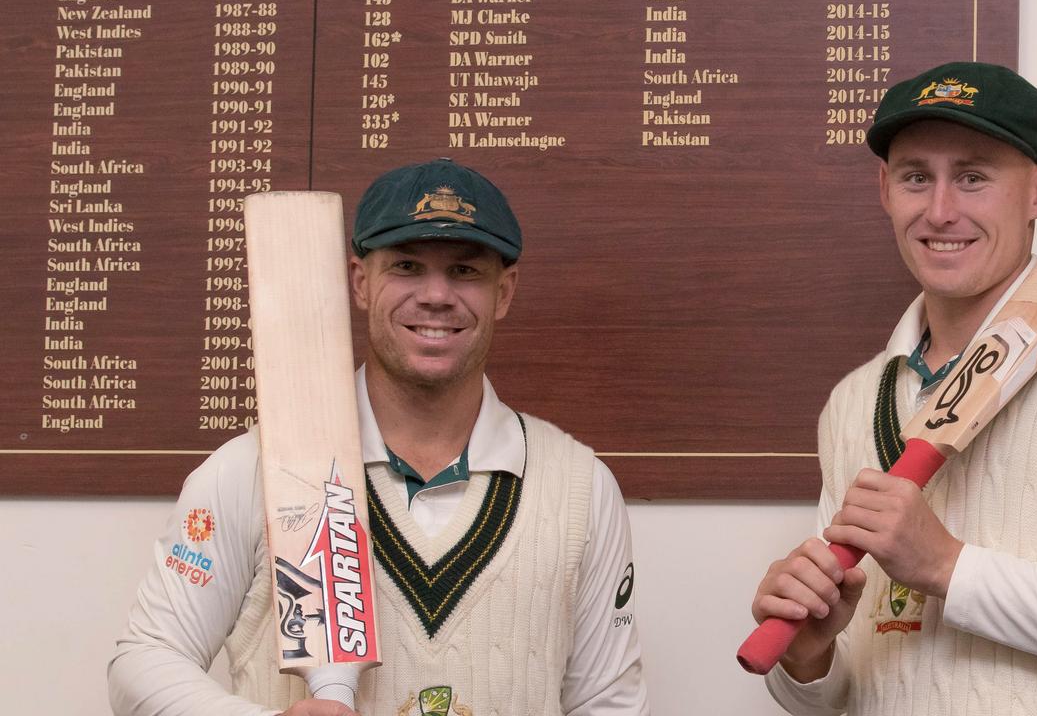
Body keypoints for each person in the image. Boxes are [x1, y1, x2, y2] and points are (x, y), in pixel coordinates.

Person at [751, 62, 1037, 715]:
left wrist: (947, 566)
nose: (941, 211)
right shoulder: (857, 401)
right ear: (885, 189)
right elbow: (846, 693)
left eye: (973, 177)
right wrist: (809, 655)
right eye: (917, 177)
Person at [109, 158, 650, 716]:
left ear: (504, 292)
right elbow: (144, 660)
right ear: (360, 282)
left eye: (465, 271)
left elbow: (608, 703)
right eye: (408, 266)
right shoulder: (249, 470)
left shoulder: (580, 488)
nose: (436, 295)